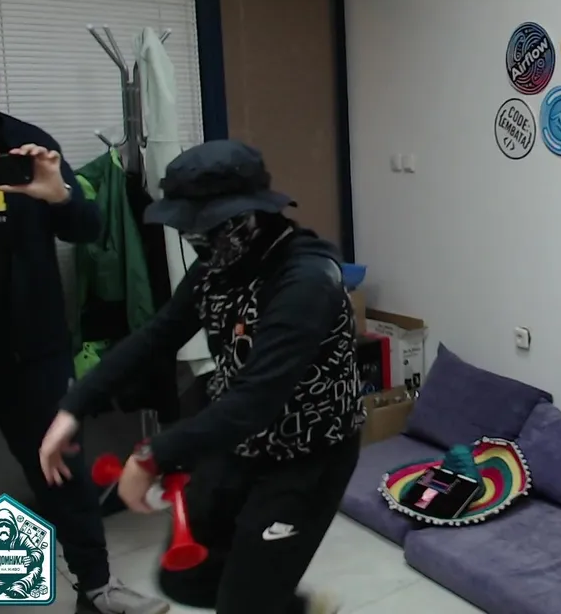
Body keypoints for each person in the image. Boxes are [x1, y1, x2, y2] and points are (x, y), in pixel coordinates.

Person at [39, 140, 365, 614]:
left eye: (206, 227)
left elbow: (256, 399)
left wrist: (151, 456)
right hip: (235, 441)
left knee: (244, 603)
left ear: (250, 214)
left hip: (306, 456)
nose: (196, 240)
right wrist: (74, 407)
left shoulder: (307, 280)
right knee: (184, 576)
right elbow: (159, 334)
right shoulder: (219, 264)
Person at [0, 29, 169, 614]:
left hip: (33, 352)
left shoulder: (26, 143)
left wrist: (59, 196)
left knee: (61, 471)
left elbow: (90, 228)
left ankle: (96, 588)